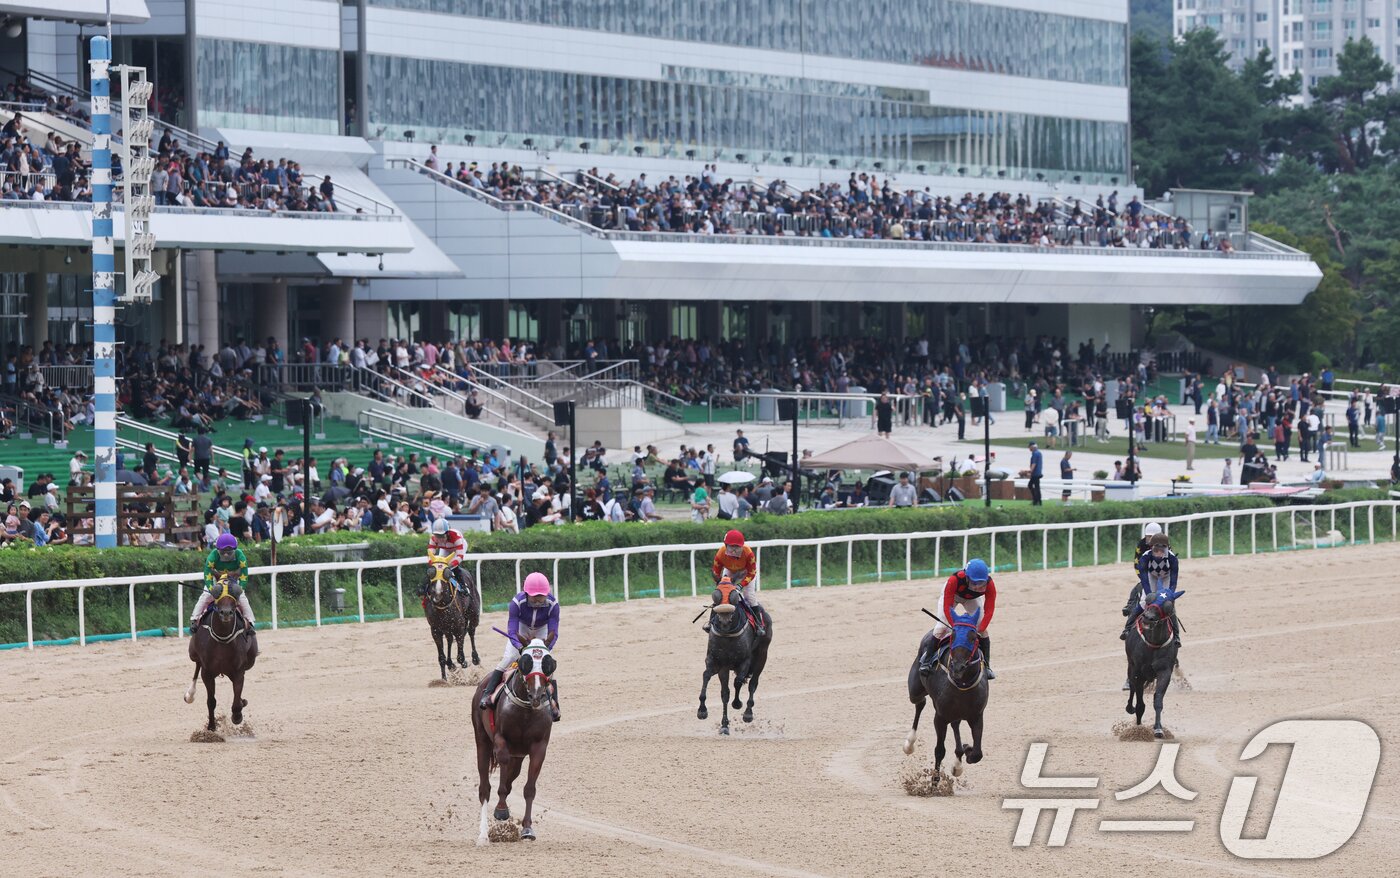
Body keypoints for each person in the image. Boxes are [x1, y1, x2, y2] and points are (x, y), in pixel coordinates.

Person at [478, 572, 560, 720]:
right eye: (535, 596)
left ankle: (554, 704)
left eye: (541, 596)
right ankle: (487, 694)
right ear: (527, 593)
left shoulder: (553, 605)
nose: (538, 600)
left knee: (546, 665)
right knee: (509, 658)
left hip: (542, 630)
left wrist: (546, 649)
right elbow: (512, 630)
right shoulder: (516, 603)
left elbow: (554, 631)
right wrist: (520, 647)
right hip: (521, 629)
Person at [919, 558, 996, 679]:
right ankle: (927, 661)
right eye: (974, 583)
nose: (977, 587)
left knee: (983, 631)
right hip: (952, 597)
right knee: (941, 627)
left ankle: (986, 666)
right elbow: (947, 608)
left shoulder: (990, 585)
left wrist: (980, 628)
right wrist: (955, 627)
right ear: (966, 577)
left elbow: (989, 609)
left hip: (971, 599)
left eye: (981, 583)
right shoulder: (954, 580)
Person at [1122, 533, 1181, 648]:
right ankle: (1127, 629)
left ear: (1167, 548)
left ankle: (1176, 636)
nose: (1159, 553)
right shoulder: (1144, 557)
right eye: (1156, 550)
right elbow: (1144, 579)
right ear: (1151, 548)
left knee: (1168, 605)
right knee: (1144, 601)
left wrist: (1169, 595)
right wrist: (1150, 595)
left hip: (1166, 576)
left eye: (1162, 550)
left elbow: (1173, 581)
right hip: (1152, 576)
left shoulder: (1173, 559)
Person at [189, 533, 255, 633]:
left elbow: (244, 575)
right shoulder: (212, 556)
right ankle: (194, 620)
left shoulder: (240, 556)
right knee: (205, 596)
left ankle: (250, 623)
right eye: (223, 552)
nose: (225, 554)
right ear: (218, 550)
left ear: (235, 550)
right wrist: (211, 589)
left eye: (229, 552)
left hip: (233, 580)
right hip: (217, 581)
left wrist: (240, 588)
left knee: (242, 599)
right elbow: (207, 574)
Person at [710, 529, 765, 636]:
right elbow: (716, 572)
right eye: (732, 546)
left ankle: (759, 624)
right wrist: (720, 586)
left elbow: (752, 572)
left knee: (749, 595)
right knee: (722, 595)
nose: (734, 550)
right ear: (726, 545)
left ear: (742, 546)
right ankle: (711, 622)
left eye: (737, 547)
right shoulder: (720, 554)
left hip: (746, 572)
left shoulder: (748, 553)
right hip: (730, 570)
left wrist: (741, 585)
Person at [422, 517, 470, 605]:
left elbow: (459, 556)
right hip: (445, 549)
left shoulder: (456, 536)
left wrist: (450, 565)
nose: (439, 539)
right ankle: (424, 588)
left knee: (453, 568)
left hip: (457, 549)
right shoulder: (433, 538)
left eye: (442, 536)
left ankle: (463, 587)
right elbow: (430, 555)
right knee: (436, 569)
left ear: (447, 533)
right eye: (437, 536)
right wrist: (434, 565)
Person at [1027, 441, 1043, 506]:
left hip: (1035, 473)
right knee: (1035, 486)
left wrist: (1030, 472)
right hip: (1038, 472)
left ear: (1032, 447)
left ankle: (1036, 500)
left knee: (1032, 486)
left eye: (1029, 447)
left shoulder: (1035, 454)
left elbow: (1034, 464)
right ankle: (1037, 500)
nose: (1029, 449)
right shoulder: (1039, 453)